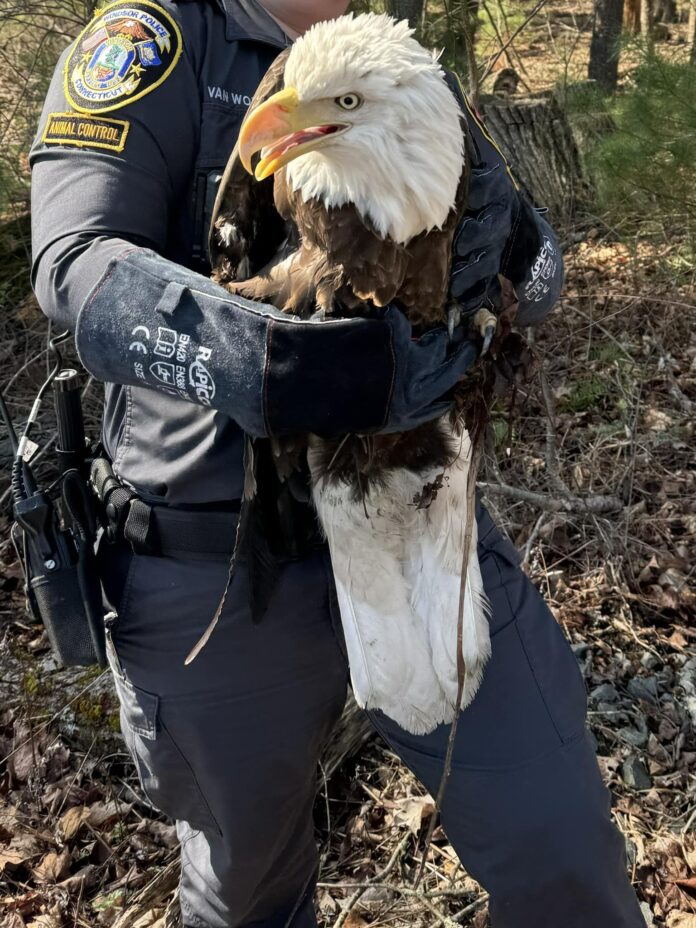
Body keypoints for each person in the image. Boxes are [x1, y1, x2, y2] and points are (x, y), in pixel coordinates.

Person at [29, 2, 645, 926]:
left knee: (561, 846)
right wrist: (271, 364)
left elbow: (536, 257)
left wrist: (517, 268)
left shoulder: (390, 53)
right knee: (251, 899)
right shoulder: (157, 39)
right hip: (215, 568)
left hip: (424, 523)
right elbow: (73, 262)